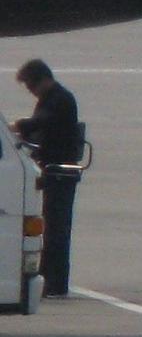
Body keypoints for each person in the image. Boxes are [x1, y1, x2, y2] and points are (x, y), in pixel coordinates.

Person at [8, 59, 82, 296]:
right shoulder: (49, 99)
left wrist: (18, 126)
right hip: (52, 170)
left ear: (43, 80)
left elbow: (45, 123)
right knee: (51, 226)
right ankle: (49, 277)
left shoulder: (60, 99)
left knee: (57, 229)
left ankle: (56, 282)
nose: (30, 91)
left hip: (61, 172)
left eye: (31, 86)